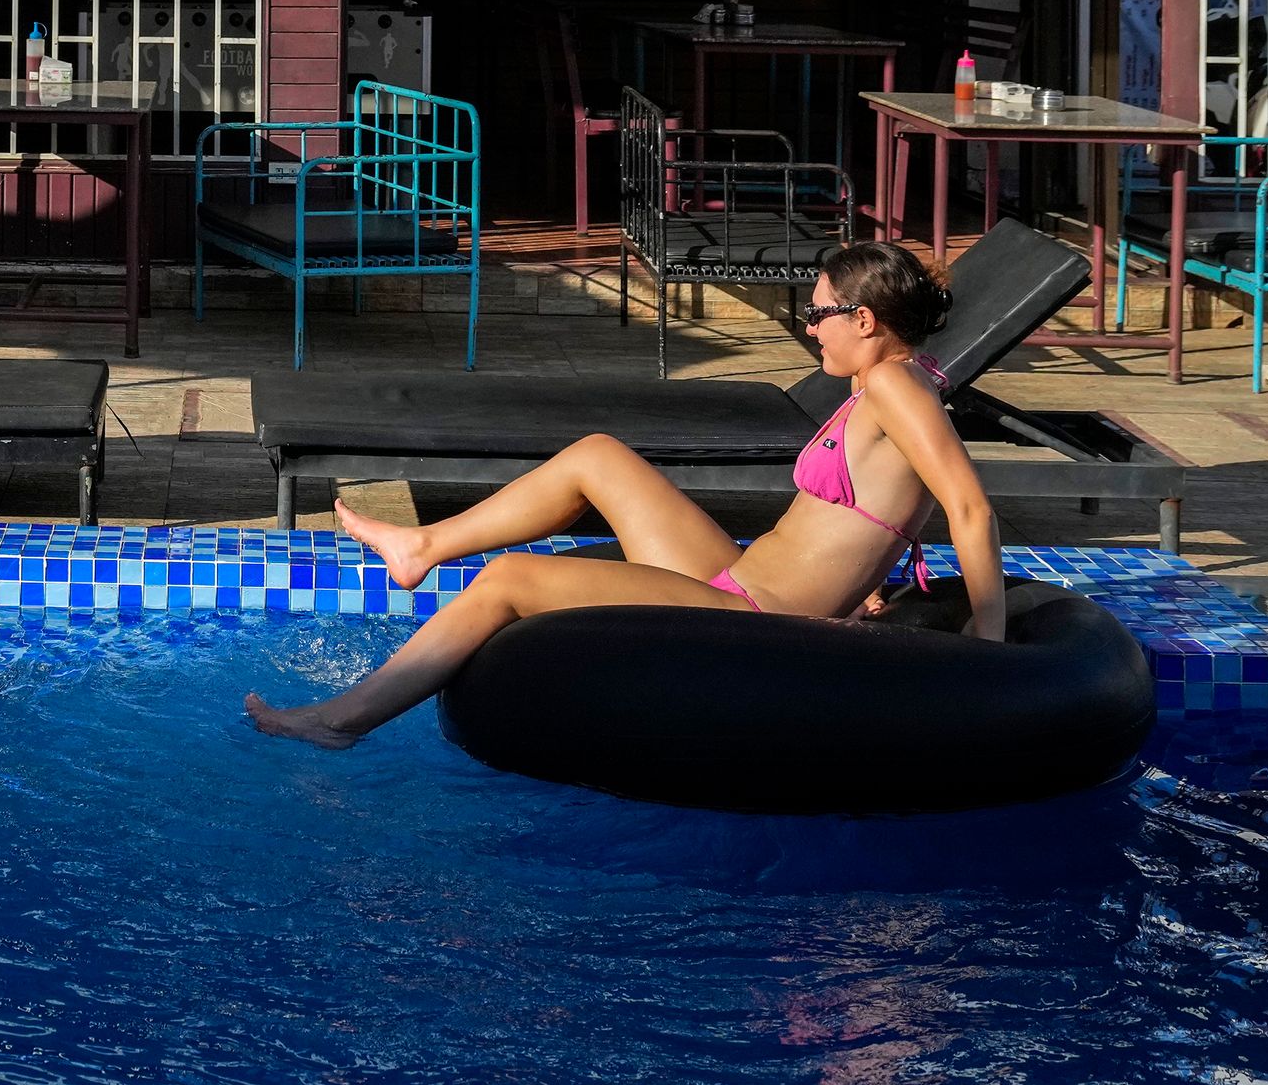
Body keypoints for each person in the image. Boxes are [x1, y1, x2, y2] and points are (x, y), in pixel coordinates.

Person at [245, 240, 1004, 748]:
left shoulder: (895, 386)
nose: (810, 329)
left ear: (863, 320)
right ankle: (424, 544)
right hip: (739, 579)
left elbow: (968, 503)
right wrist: (873, 583)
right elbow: (899, 500)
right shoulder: (886, 386)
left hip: (759, 615)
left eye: (817, 313)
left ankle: (344, 718)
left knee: (510, 579)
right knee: (599, 457)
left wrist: (991, 646)